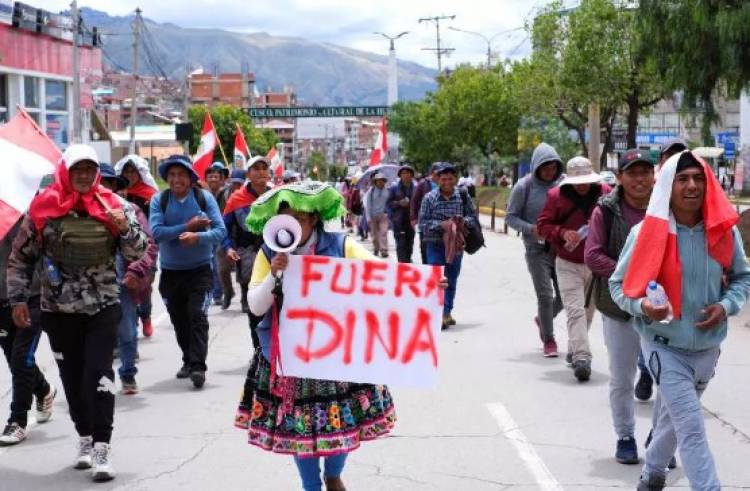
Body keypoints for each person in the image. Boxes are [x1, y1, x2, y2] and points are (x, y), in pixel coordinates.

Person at [235, 181, 397, 491]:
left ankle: (333, 473)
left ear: (314, 220)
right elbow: (256, 306)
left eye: (300, 216)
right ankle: (311, 486)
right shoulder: (269, 252)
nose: (293, 222)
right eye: (286, 216)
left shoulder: (341, 246)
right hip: (291, 356)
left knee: (345, 421)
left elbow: (383, 275)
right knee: (303, 429)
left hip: (337, 351)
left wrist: (426, 286)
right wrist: (274, 275)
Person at [609, 150, 750, 491]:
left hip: (708, 348)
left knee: (675, 418)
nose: (691, 186)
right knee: (691, 425)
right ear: (668, 187)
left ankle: (652, 472)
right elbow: (617, 286)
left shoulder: (722, 231)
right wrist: (643, 305)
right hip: (663, 346)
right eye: (682, 179)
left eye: (699, 178)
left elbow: (742, 278)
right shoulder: (644, 233)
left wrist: (726, 305)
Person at [7, 144, 148, 481]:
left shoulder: (114, 205)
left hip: (103, 306)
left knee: (99, 375)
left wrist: (124, 228)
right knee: (72, 380)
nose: (84, 176)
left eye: (89, 169)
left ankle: (102, 446)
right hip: (58, 309)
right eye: (77, 170)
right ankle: (84, 438)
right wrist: (17, 299)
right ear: (66, 172)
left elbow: (139, 248)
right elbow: (20, 256)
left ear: (96, 172)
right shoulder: (43, 208)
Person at [584, 149, 655, 464]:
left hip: (662, 309)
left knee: (668, 380)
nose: (639, 179)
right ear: (621, 178)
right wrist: (630, 277)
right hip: (618, 307)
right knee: (622, 377)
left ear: (654, 176)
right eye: (632, 173)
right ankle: (625, 436)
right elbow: (593, 255)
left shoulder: (668, 206)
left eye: (645, 172)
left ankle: (660, 441)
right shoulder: (606, 210)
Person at [149, 155, 226, 389]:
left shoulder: (205, 199)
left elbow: (220, 231)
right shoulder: (159, 200)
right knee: (180, 321)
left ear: (191, 178)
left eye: (181, 174)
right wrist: (188, 227)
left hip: (200, 271)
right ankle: (188, 359)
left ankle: (198, 367)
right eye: (171, 175)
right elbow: (157, 233)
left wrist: (198, 237)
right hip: (171, 273)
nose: (176, 179)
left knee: (197, 316)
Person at [537, 156, 610, 381]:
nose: (582, 185)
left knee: (588, 311)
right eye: (578, 181)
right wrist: (561, 232)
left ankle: (574, 346)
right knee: (575, 310)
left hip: (596, 262)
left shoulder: (606, 192)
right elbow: (542, 226)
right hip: (567, 262)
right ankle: (582, 357)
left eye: (586, 180)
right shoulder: (555, 196)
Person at [99, 164, 158, 395]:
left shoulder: (130, 210)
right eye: (99, 182)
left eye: (108, 182)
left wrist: (135, 271)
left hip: (124, 283)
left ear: (115, 186)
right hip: (91, 288)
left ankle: (128, 373)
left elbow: (148, 245)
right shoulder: (79, 213)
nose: (103, 187)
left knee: (127, 332)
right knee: (98, 336)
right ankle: (102, 378)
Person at [0, 217, 56, 446]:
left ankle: (17, 421)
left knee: (22, 358)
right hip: (1, 302)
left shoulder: (24, 216)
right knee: (13, 359)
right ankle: (43, 389)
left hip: (31, 297)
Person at [506, 142, 564, 357]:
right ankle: (549, 339)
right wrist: (531, 229)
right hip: (536, 249)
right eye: (545, 167)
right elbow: (510, 217)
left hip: (560, 248)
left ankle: (543, 319)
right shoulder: (524, 187)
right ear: (536, 167)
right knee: (545, 295)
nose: (550, 172)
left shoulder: (563, 184)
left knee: (566, 295)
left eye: (553, 167)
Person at [419, 163, 478, 329]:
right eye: (443, 178)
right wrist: (442, 225)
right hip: (434, 244)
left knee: (451, 279)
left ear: (455, 179)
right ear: (438, 179)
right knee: (438, 280)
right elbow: (422, 224)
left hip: (456, 245)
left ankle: (446, 312)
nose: (446, 182)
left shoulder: (462, 196)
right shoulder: (429, 198)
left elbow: (472, 218)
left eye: (450, 178)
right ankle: (437, 313)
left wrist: (460, 222)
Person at [115, 155, 159, 338]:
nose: (130, 175)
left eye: (133, 171)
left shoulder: (150, 195)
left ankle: (146, 316)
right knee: (124, 291)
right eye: (126, 171)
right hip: (122, 249)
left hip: (146, 247)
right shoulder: (116, 194)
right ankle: (129, 333)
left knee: (144, 286)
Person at [223, 156, 272, 315]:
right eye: (256, 169)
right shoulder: (236, 198)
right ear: (248, 175)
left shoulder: (277, 195)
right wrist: (228, 247)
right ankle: (246, 296)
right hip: (246, 246)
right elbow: (225, 227)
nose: (261, 172)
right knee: (247, 272)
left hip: (272, 244)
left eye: (264, 168)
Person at [205, 162, 231, 306]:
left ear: (221, 179)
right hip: (206, 233)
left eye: (216, 176)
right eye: (211, 176)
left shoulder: (226, 194)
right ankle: (215, 292)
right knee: (210, 264)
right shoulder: (203, 194)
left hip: (221, 234)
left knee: (217, 264)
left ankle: (218, 293)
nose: (213, 179)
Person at [411, 163, 441, 264]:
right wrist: (413, 217)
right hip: (426, 220)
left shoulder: (444, 183)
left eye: (440, 173)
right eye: (436, 173)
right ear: (431, 173)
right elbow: (414, 201)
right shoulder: (423, 184)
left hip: (441, 221)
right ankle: (426, 266)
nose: (438, 176)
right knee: (425, 246)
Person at [387, 165, 416, 262]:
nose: (406, 175)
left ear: (411, 175)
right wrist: (399, 203)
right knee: (400, 243)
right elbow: (388, 203)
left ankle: (407, 259)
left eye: (408, 173)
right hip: (398, 220)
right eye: (403, 173)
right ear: (400, 175)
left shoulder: (416, 187)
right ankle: (402, 262)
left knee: (409, 242)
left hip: (411, 220)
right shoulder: (394, 188)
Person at [365, 173, 390, 257]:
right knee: (375, 236)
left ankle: (384, 250)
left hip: (383, 215)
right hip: (372, 216)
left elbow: (389, 203)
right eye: (378, 181)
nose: (380, 182)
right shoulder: (371, 191)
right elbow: (367, 205)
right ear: (375, 182)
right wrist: (368, 217)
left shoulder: (387, 191)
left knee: (383, 232)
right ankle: (376, 248)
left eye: (382, 180)